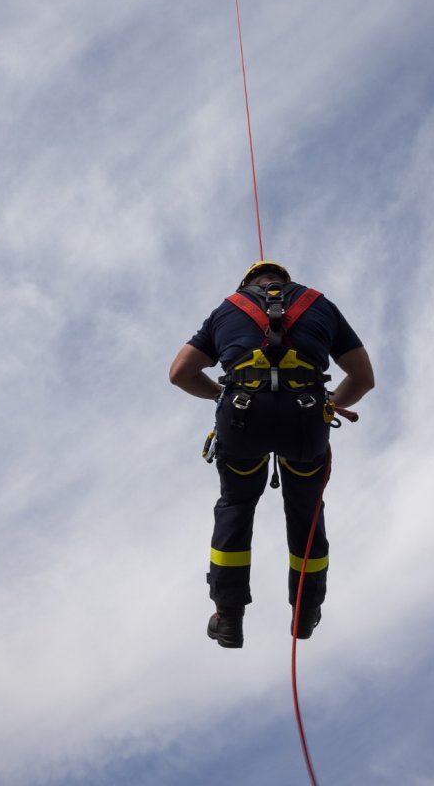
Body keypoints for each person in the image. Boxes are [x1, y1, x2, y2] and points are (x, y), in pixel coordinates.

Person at [169, 261, 374, 648]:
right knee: (306, 511)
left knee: (236, 505)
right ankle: (305, 611)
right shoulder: (319, 305)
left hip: (242, 418)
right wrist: (329, 402)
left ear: (246, 283)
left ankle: (228, 616)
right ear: (285, 281)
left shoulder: (227, 308)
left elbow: (180, 372)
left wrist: (222, 394)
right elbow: (364, 378)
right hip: (306, 419)